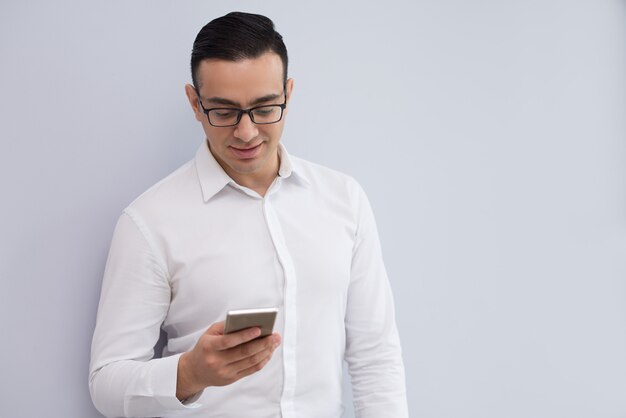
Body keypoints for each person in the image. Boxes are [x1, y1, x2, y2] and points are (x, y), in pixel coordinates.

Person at [89, 11, 408, 418]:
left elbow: (375, 356)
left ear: (288, 95)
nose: (246, 132)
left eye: (264, 108)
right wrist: (188, 373)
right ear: (194, 103)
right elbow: (106, 382)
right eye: (223, 112)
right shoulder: (149, 222)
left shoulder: (344, 199)